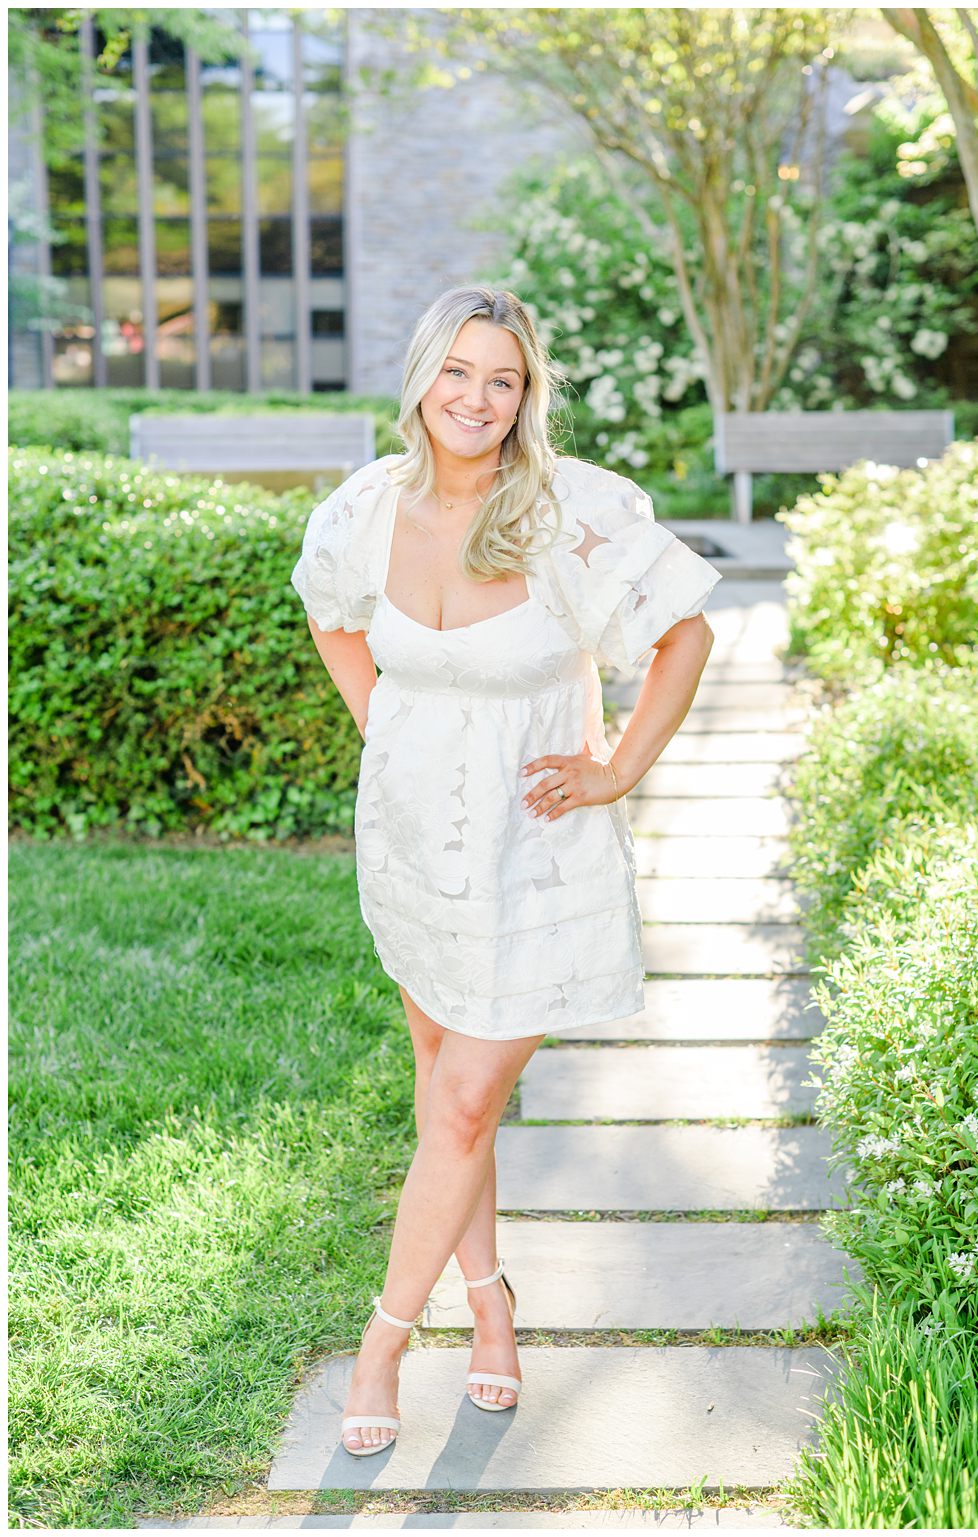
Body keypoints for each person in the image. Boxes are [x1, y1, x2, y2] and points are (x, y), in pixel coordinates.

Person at [289, 285, 720, 1455]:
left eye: (505, 379)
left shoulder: (565, 511)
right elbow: (332, 614)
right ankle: (491, 1309)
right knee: (447, 1103)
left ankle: (383, 1338)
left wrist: (616, 767)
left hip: (535, 849)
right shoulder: (366, 509)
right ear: (421, 375)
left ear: (527, 397)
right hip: (414, 833)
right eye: (459, 372)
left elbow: (685, 632)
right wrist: (385, 722)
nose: (477, 399)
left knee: (467, 1098)